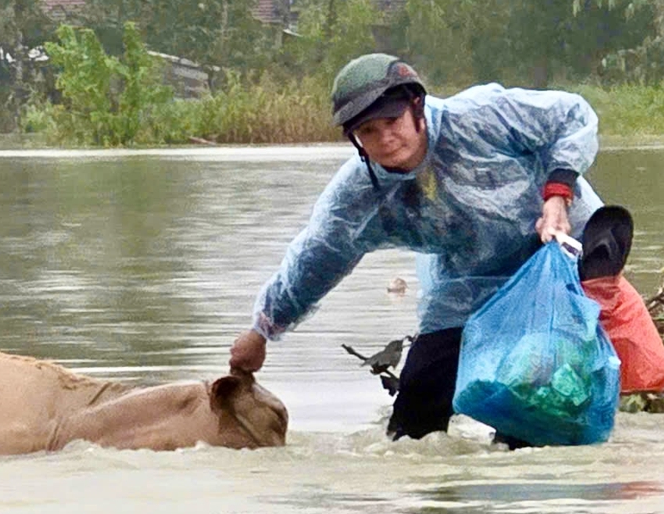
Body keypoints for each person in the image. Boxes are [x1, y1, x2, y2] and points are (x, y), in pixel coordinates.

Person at [228, 54, 602, 439]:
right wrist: (261, 331)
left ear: (416, 107)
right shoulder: (359, 194)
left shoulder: (480, 117)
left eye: (392, 122)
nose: (386, 140)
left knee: (538, 398)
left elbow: (572, 116)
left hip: (562, 251)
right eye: (368, 132)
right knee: (416, 410)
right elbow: (316, 258)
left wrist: (558, 193)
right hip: (470, 278)